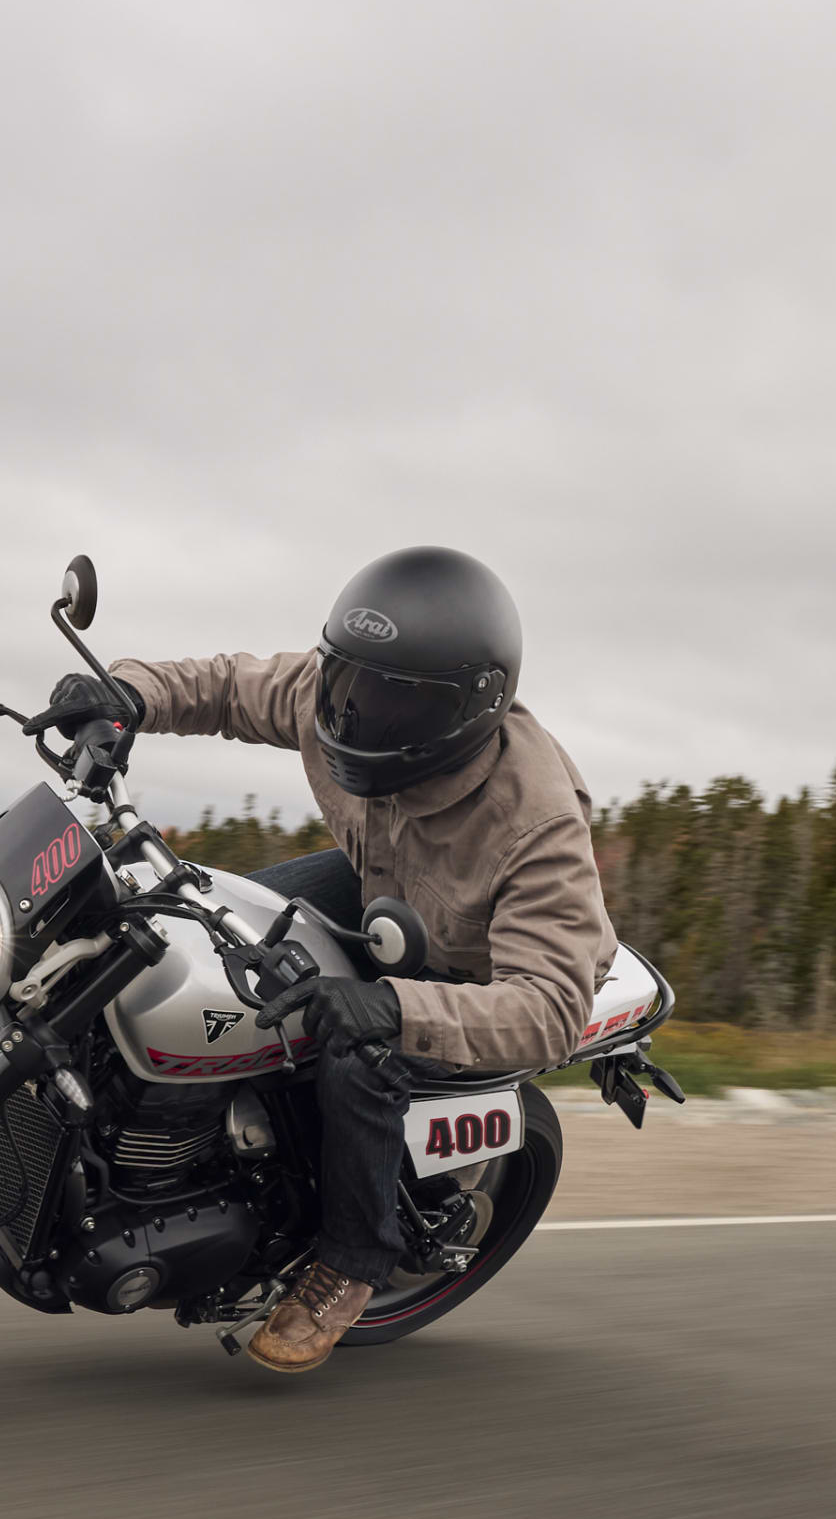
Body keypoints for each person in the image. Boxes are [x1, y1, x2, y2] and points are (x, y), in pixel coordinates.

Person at [46, 546, 615, 1374]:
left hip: (478, 965)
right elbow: (229, 685)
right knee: (198, 929)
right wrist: (127, 692)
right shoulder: (335, 696)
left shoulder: (536, 826)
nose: (354, 713)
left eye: (391, 698)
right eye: (352, 682)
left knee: (357, 1047)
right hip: (381, 888)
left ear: (463, 710)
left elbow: (550, 1009)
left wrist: (395, 1005)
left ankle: (349, 1263)